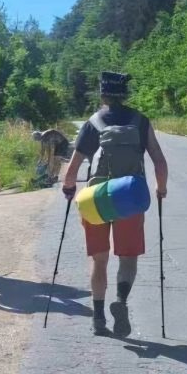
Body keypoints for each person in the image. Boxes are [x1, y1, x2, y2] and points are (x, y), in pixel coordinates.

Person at [62, 72, 169, 338]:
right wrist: (161, 188)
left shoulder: (93, 123)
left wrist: (69, 189)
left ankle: (98, 318)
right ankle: (120, 301)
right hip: (129, 196)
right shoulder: (140, 121)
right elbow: (159, 160)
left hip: (97, 197)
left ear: (102, 94)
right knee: (127, 258)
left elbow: (73, 168)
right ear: (125, 94)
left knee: (99, 260)